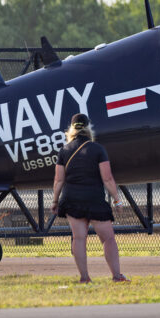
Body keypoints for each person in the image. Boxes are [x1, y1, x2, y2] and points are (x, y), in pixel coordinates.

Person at [52, 113, 128, 283]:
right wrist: (117, 200)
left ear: (71, 128)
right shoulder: (98, 149)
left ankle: (84, 277)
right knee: (108, 238)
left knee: (79, 238)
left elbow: (58, 180)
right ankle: (117, 276)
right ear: (88, 128)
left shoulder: (64, 151)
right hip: (95, 199)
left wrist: (55, 201)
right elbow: (107, 179)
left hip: (71, 200)